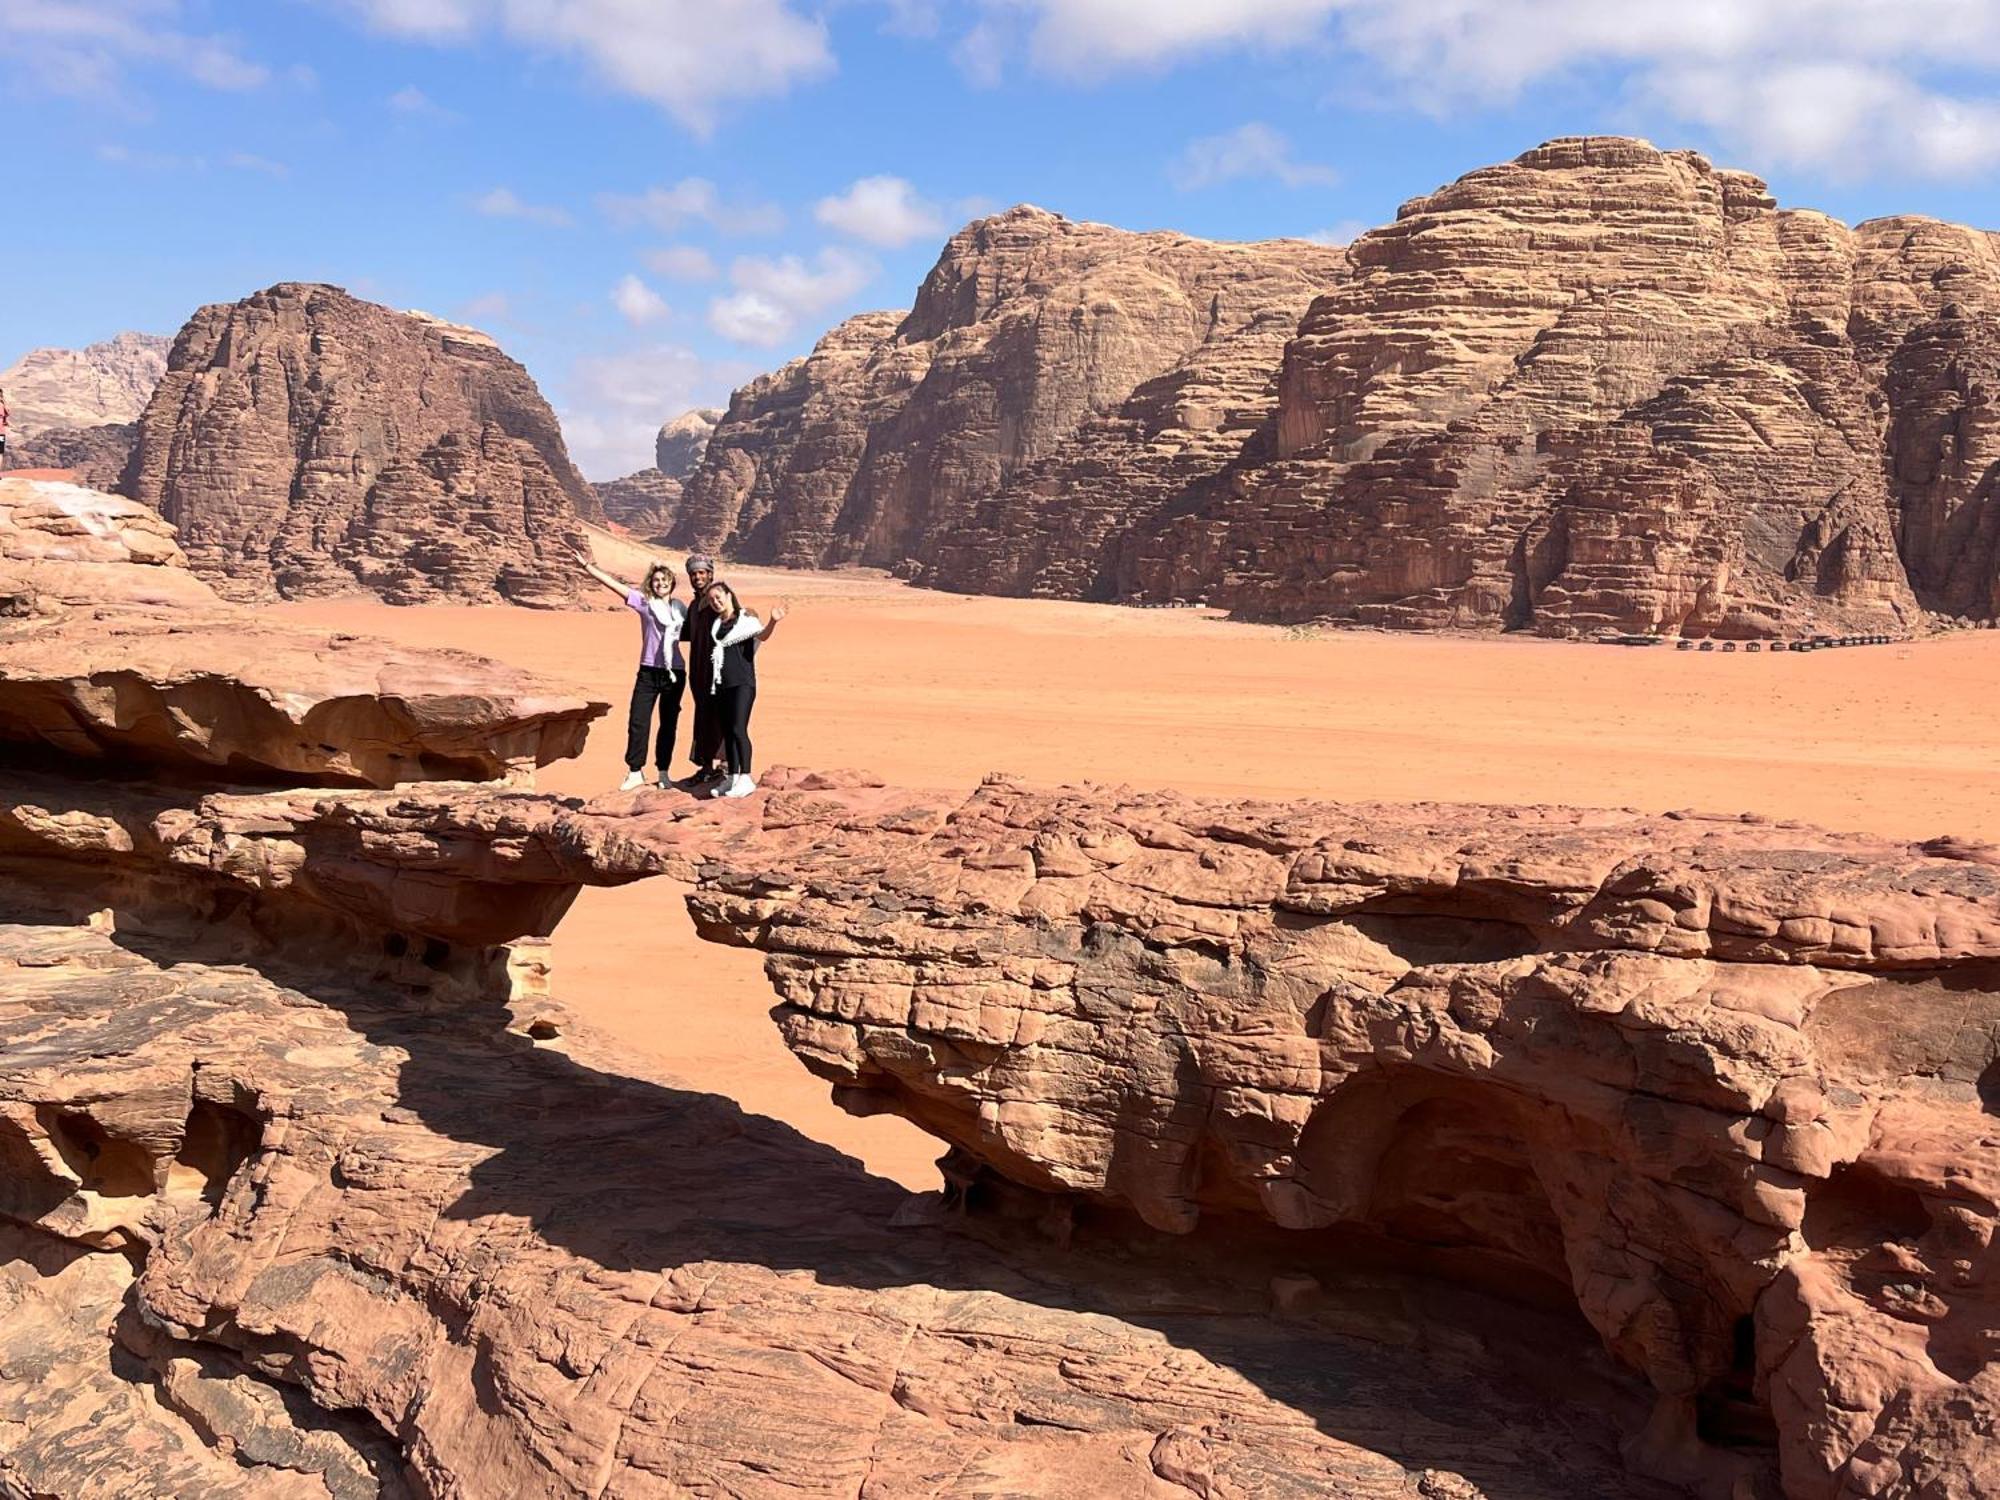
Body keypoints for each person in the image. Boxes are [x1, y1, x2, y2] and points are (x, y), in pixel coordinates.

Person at [569, 546, 687, 792]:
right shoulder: (645, 603)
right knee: (638, 721)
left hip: (674, 672)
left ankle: (663, 772)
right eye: (655, 581)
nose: (660, 584)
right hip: (648, 671)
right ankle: (635, 771)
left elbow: (703, 626)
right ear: (650, 584)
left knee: (668, 723)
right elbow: (615, 586)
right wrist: (587, 567)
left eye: (664, 580)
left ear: (672, 583)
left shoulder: (681, 609)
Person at [703, 580, 787, 798]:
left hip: (742, 683)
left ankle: (745, 778)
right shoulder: (716, 626)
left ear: (729, 595)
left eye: (718, 597)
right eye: (711, 599)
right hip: (722, 685)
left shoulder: (746, 621)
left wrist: (773, 622)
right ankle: (731, 777)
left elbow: (762, 636)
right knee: (728, 732)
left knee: (739, 729)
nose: (715, 601)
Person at [676, 553, 722, 789]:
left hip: (718, 669)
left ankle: (724, 767)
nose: (697, 577)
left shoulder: (718, 598)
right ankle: (706, 767)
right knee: (703, 716)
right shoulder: (694, 606)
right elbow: (684, 633)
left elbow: (734, 619)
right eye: (694, 574)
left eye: (702, 573)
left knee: (722, 716)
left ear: (710, 574)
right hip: (698, 671)